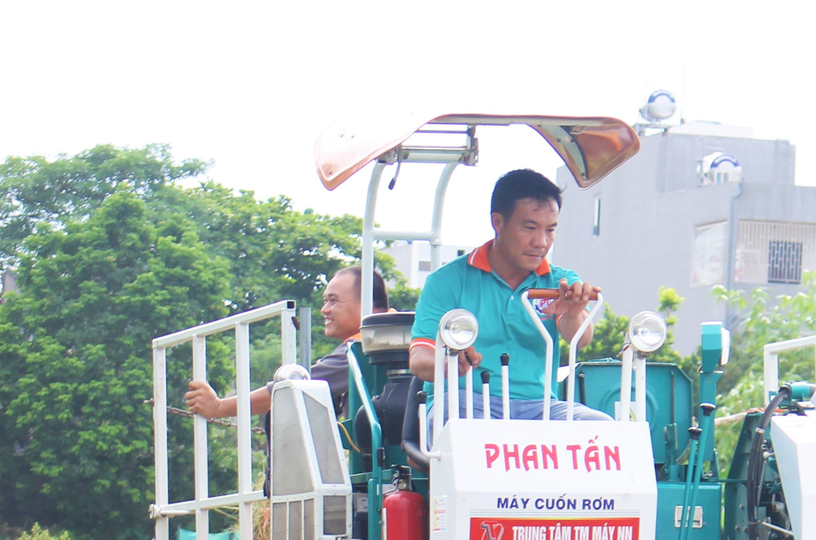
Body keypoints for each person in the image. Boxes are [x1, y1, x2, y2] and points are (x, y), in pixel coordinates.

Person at [409, 168, 609, 420]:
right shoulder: (447, 281)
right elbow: (419, 358)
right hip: (466, 401)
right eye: (530, 227)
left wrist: (572, 313)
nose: (541, 242)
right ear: (498, 222)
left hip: (539, 407)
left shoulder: (561, 281)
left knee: (599, 425)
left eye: (550, 230)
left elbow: (580, 340)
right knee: (461, 422)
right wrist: (450, 360)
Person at [183, 266, 386, 420]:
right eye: (325, 301)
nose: (325, 309)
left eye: (333, 300)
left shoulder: (365, 348)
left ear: (368, 304)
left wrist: (218, 407)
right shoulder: (391, 337)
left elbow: (290, 387)